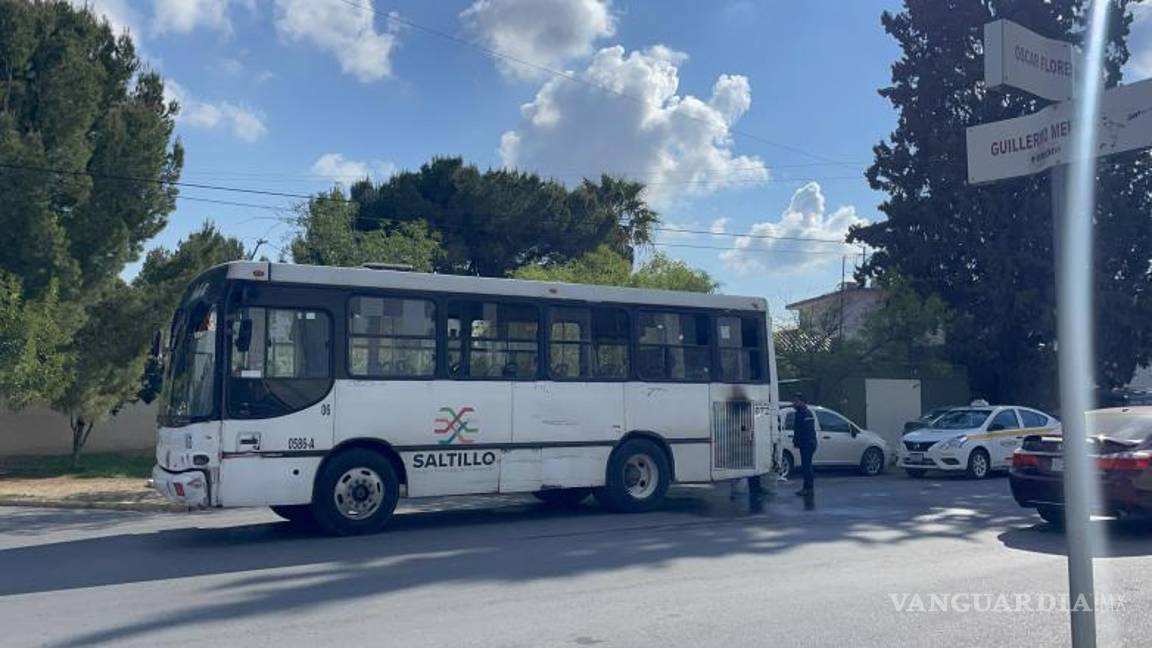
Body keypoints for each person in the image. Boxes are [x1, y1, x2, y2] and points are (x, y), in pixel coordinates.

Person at [791, 393, 817, 496]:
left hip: (808, 444)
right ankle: (807, 488)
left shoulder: (806, 413)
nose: (794, 403)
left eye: (796, 401)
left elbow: (806, 430)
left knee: (807, 466)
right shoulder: (799, 413)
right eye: (794, 401)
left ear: (802, 402)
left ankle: (809, 488)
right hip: (805, 444)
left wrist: (800, 441)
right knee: (805, 466)